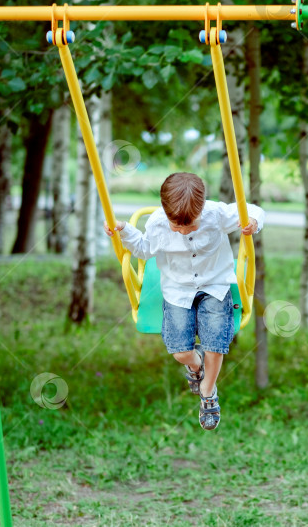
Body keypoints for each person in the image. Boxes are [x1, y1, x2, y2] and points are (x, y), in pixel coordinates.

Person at [104, 172, 264, 431]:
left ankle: (208, 392)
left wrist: (254, 221)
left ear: (202, 208)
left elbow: (253, 209)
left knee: (216, 343)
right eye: (176, 225)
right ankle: (195, 363)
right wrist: (124, 231)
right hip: (177, 289)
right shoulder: (158, 223)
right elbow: (144, 250)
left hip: (215, 284)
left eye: (190, 225)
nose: (183, 230)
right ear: (166, 213)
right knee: (180, 351)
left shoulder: (216, 214)